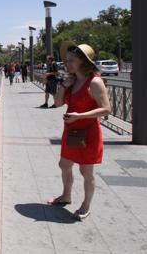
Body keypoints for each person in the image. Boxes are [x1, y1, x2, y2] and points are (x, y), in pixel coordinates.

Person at [47, 41, 111, 221]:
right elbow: (59, 103)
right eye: (66, 60)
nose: (67, 64)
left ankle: (85, 205)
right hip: (71, 131)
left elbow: (106, 109)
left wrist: (80, 116)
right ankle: (66, 195)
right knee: (64, 165)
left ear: (84, 62)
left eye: (71, 61)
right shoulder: (73, 80)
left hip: (88, 133)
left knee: (86, 172)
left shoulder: (95, 82)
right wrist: (63, 86)